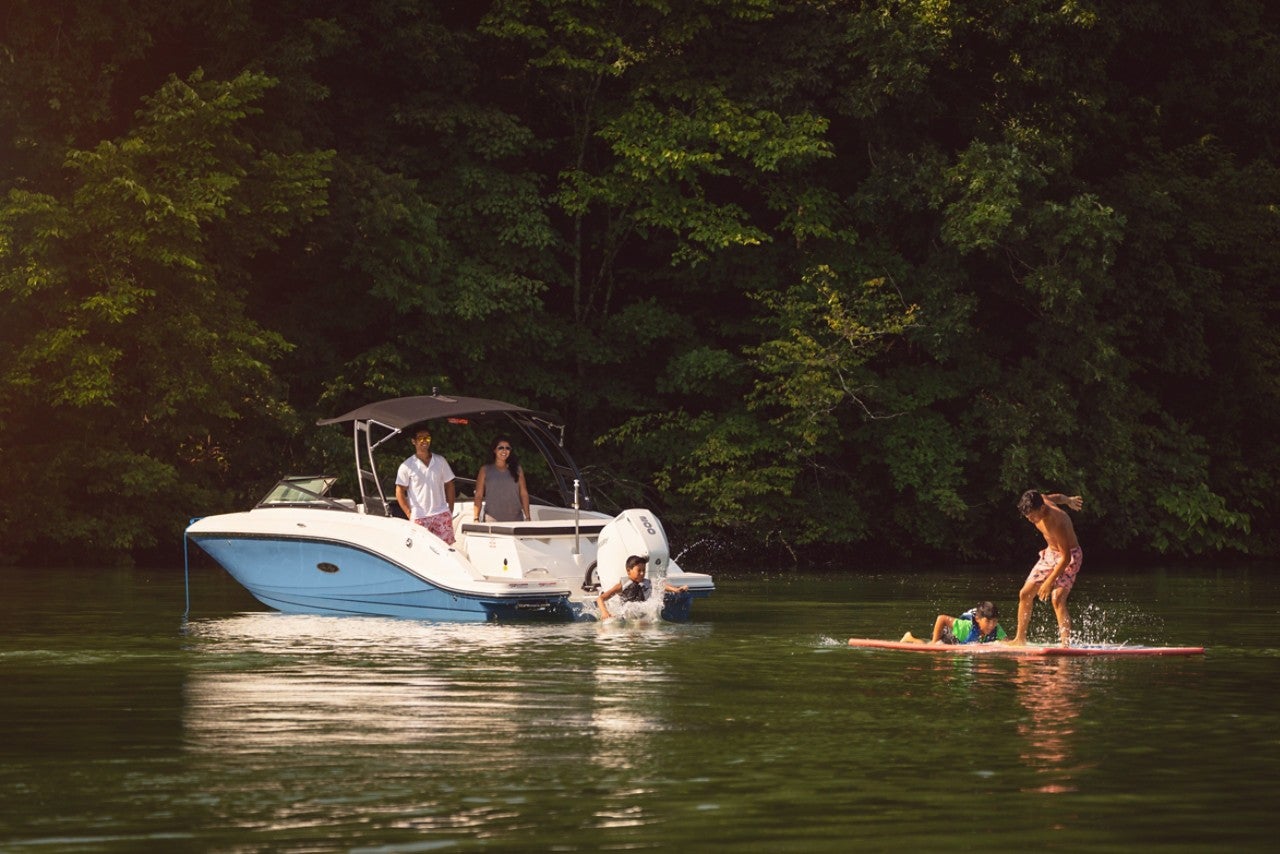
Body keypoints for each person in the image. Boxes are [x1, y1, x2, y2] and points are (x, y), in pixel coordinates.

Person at [1011, 490, 1083, 646]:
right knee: (1025, 594)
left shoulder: (1057, 521)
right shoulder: (1041, 499)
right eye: (1027, 517)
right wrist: (1068, 499)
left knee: (1057, 598)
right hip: (1051, 554)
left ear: (1042, 509)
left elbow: (1066, 558)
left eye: (1032, 516)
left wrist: (1049, 582)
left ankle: (1065, 644)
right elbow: (1056, 497)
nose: (1030, 520)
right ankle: (1019, 639)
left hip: (1070, 556)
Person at [395, 426, 457, 545]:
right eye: (420, 438)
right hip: (419, 517)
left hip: (441, 514)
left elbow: (450, 484)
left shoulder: (440, 461)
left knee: (446, 551)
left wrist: (450, 509)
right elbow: (399, 491)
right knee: (420, 551)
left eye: (427, 438)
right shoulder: (407, 465)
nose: (424, 441)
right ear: (414, 441)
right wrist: (409, 513)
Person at [596, 554, 689, 620]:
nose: (642, 573)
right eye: (639, 570)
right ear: (628, 571)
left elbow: (660, 585)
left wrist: (676, 589)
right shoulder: (623, 585)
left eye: (644, 570)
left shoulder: (646, 583)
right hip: (627, 615)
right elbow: (600, 599)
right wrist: (604, 612)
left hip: (642, 613)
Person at [473, 436, 530, 522]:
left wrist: (528, 517)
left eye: (507, 448)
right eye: (500, 448)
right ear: (494, 450)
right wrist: (476, 518)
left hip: (516, 521)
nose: (504, 450)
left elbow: (524, 494)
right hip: (491, 522)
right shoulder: (485, 470)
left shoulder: (517, 469)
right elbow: (478, 495)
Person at [900, 600, 1007, 645]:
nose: (991, 625)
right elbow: (941, 618)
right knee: (933, 648)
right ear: (978, 620)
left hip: (960, 640)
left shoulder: (997, 628)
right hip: (948, 633)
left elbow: (1008, 643)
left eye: (994, 621)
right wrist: (934, 643)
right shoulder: (967, 627)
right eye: (988, 621)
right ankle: (909, 638)